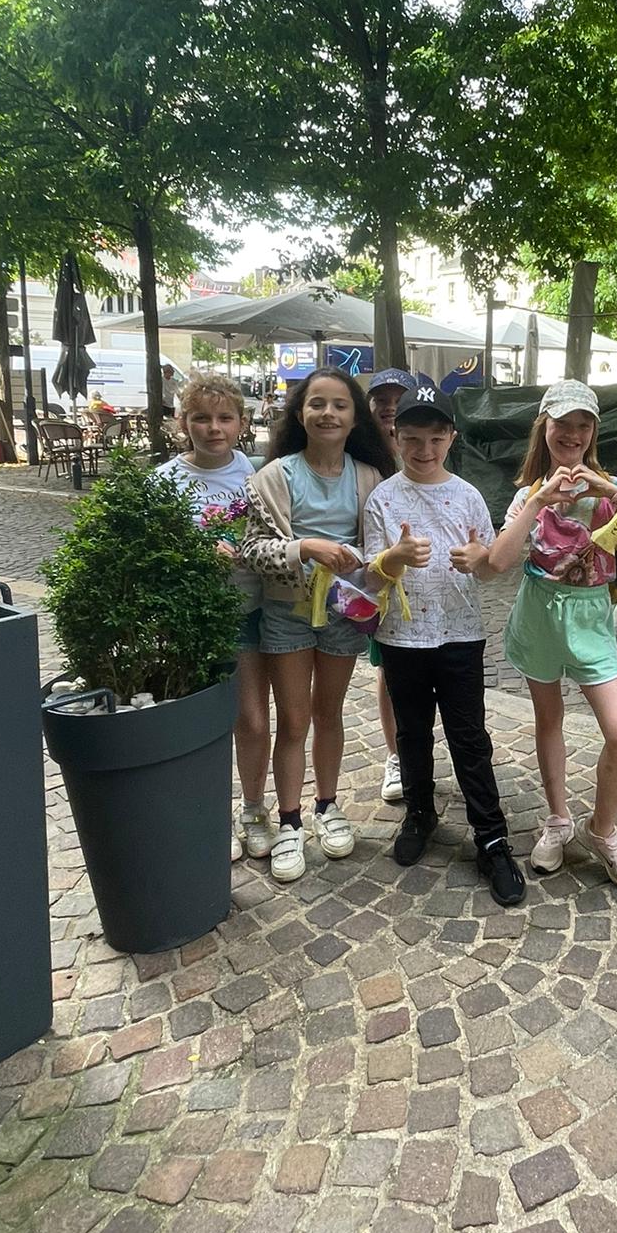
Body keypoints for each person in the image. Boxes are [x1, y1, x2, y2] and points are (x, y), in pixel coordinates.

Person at [486, 380, 617, 890]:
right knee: (549, 719)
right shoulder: (528, 494)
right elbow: (499, 562)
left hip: (591, 621)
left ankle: (602, 830)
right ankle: (558, 818)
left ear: (594, 431)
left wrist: (612, 492)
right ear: (543, 428)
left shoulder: (610, 488)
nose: (572, 434)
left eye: (583, 425)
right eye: (562, 424)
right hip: (539, 617)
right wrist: (538, 501)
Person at [363, 383, 525, 906]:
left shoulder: (469, 495)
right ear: (396, 437)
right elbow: (370, 575)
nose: (424, 449)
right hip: (402, 638)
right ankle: (419, 812)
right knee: (412, 732)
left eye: (435, 438)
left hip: (461, 635)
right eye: (412, 438)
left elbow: (490, 564)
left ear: (451, 438)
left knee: (469, 736)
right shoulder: (383, 499)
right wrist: (394, 557)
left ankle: (491, 837)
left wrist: (479, 559)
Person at [242, 367, 396, 882]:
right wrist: (304, 547)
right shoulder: (273, 477)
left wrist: (365, 558)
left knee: (329, 714)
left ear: (355, 418)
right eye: (317, 404)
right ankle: (289, 821)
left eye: (339, 405)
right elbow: (252, 549)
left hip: (343, 614)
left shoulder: (370, 477)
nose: (328, 413)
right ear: (300, 413)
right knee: (294, 720)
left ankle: (327, 806)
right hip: (286, 614)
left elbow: (380, 548)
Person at [154, 374, 271, 863]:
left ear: (242, 423)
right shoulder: (164, 481)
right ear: (183, 423)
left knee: (252, 718)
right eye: (201, 418)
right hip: (195, 618)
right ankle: (211, 814)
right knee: (203, 724)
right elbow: (152, 556)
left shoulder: (260, 473)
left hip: (252, 611)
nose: (214, 428)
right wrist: (193, 555)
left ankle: (254, 810)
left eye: (225, 418)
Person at [365, 367, 417, 807]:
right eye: (382, 399)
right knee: (387, 671)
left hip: (427, 583)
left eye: (399, 399)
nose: (389, 407)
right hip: (381, 581)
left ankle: (421, 751)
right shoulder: (364, 460)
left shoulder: (427, 445)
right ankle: (396, 755)